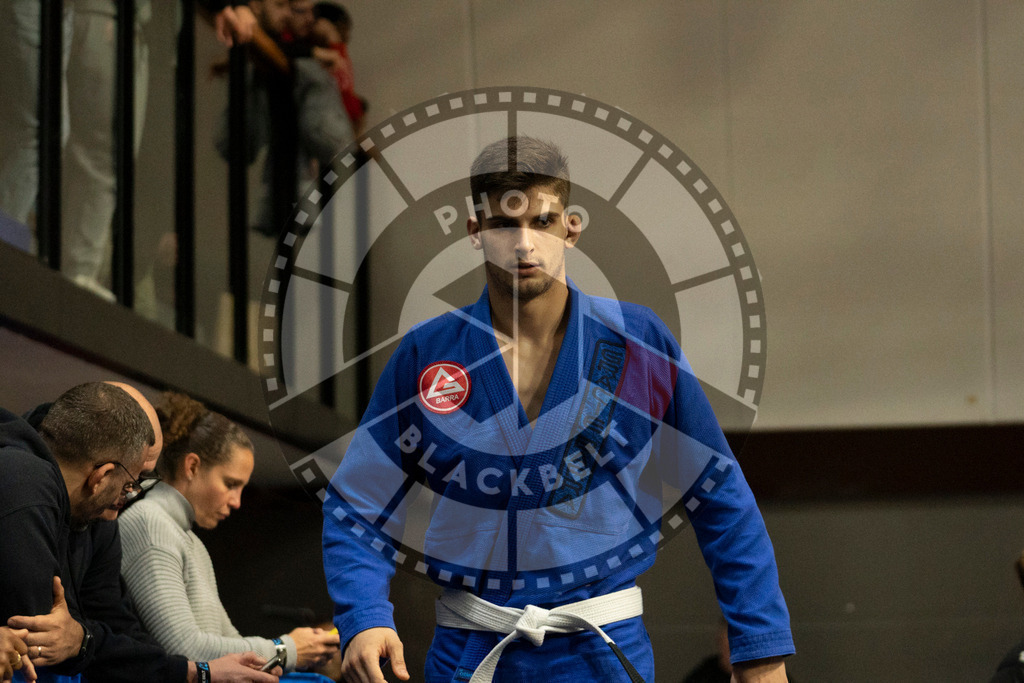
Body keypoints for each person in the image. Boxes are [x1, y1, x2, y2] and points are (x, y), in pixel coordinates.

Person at [322, 137, 794, 682]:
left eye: (542, 222)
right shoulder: (428, 354)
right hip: (471, 656)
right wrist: (363, 615)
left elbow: (720, 495)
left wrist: (760, 650)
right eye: (503, 225)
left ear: (571, 227)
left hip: (601, 657)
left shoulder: (637, 342)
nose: (524, 245)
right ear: (475, 233)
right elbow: (359, 499)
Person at [0, 382, 276, 682]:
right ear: (102, 475)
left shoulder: (95, 517)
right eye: (134, 479)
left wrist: (197, 672)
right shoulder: (25, 481)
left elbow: (109, 623)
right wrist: (285, 649)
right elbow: (41, 632)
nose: (131, 494)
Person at [0, 0, 254, 300]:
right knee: (69, 140)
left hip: (93, 15)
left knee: (62, 138)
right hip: (105, 14)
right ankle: (50, 267)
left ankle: (56, 271)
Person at [119, 392, 341, 673]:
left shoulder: (191, 542)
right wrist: (285, 649)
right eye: (230, 484)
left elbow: (228, 643)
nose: (237, 502)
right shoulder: (149, 523)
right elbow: (185, 649)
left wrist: (282, 653)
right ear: (192, 466)